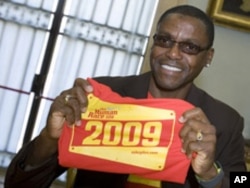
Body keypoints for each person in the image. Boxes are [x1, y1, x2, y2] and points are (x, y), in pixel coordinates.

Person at [4, 5, 246, 188]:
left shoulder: (224, 121)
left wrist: (210, 173)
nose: (173, 54)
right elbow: (18, 183)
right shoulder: (100, 97)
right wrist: (50, 137)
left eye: (189, 47)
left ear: (209, 57)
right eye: (164, 40)